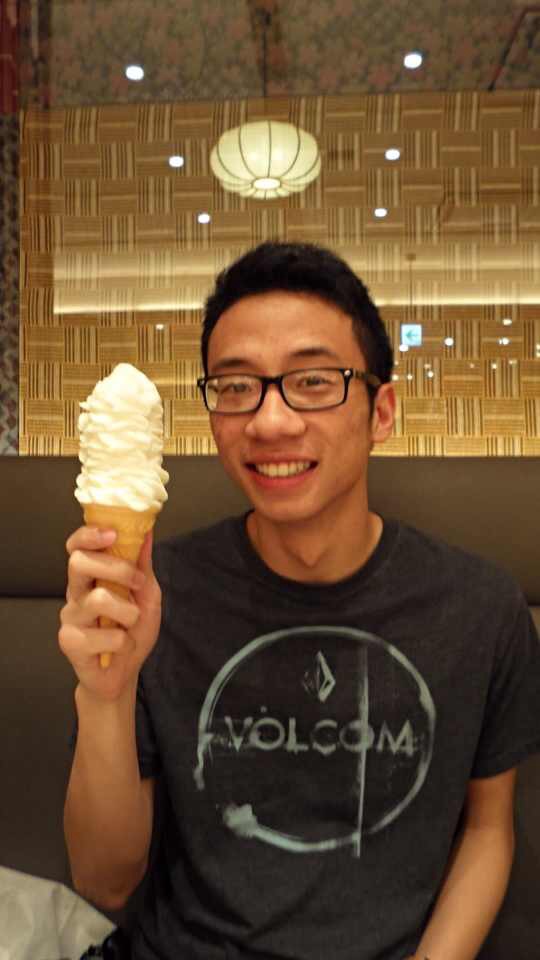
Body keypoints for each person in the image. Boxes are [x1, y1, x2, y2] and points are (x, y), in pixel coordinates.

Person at [60, 242, 540, 960]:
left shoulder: (479, 608)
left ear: (381, 411)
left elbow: (488, 829)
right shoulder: (153, 594)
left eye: (314, 381)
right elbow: (106, 880)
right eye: (235, 386)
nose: (270, 421)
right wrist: (105, 693)